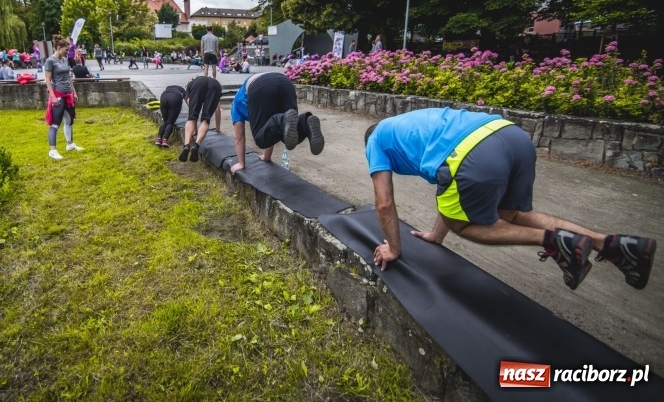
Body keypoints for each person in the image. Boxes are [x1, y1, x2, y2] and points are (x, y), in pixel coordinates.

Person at [364, 107, 657, 291]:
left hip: (471, 153)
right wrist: (435, 235)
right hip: (510, 135)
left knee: (463, 224)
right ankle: (615, 246)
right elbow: (451, 195)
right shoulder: (409, 125)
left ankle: (554, 241)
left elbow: (384, 202)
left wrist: (394, 249)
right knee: (511, 216)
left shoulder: (376, 140)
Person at [229, 73, 324, 174]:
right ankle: (306, 123)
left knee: (260, 139)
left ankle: (283, 120)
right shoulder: (243, 97)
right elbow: (270, 127)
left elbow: (239, 138)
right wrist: (266, 157)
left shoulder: (235, 105)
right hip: (285, 82)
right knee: (288, 131)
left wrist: (241, 164)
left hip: (260, 86)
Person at [45, 37, 83, 160]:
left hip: (68, 94)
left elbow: (69, 77)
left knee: (69, 121)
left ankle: (70, 144)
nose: (67, 52)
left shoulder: (65, 60)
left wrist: (74, 92)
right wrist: (53, 97)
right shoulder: (50, 61)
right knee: (55, 124)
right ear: (59, 48)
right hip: (58, 94)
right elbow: (48, 80)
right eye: (66, 50)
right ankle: (52, 150)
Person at [179, 76, 223, 162]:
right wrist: (218, 129)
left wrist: (194, 131)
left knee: (191, 118)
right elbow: (218, 110)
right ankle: (196, 145)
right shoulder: (213, 82)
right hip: (216, 86)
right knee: (206, 119)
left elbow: (191, 107)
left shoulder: (191, 85)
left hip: (198, 84)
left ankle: (186, 145)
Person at [155, 84, 186, 148]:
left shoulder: (168, 88)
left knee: (165, 121)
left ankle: (159, 139)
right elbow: (187, 99)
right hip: (175, 97)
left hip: (164, 96)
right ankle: (165, 140)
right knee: (170, 122)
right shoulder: (182, 90)